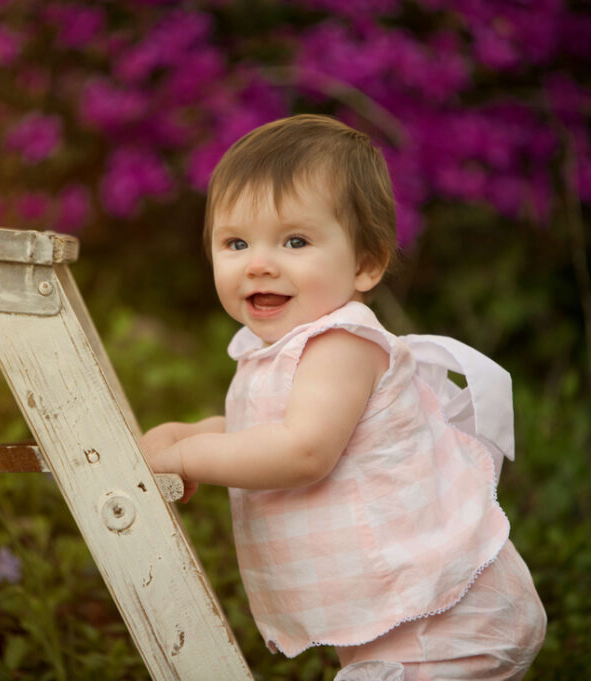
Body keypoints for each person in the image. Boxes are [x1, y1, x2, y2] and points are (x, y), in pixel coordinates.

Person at [139, 114, 546, 681]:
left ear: (366, 263)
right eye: (235, 242)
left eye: (295, 241)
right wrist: (189, 434)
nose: (258, 262)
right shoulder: (276, 348)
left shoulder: (342, 343)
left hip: (446, 621)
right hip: (405, 618)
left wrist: (186, 459)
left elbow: (303, 449)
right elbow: (262, 426)